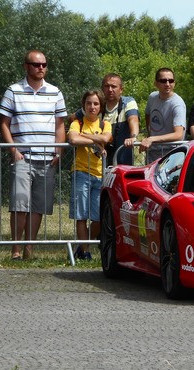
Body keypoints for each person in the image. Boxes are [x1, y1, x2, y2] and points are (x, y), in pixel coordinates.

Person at [0, 50, 67, 260]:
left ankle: (29, 250)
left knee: (39, 207)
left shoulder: (55, 92)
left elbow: (60, 124)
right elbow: (4, 123)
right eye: (36, 64)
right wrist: (13, 150)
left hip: (47, 158)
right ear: (26, 66)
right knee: (19, 204)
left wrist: (59, 150)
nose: (41, 68)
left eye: (44, 64)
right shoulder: (13, 91)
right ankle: (16, 251)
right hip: (23, 157)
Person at [67, 90, 112, 260]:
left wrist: (90, 138)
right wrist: (96, 140)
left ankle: (82, 245)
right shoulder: (77, 123)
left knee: (98, 217)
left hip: (100, 175)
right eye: (88, 103)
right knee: (81, 215)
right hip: (81, 172)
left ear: (100, 107)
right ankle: (85, 251)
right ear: (84, 105)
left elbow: (106, 138)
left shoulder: (104, 124)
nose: (92, 107)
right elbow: (73, 139)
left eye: (95, 104)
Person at [72, 73, 139, 166]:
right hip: (98, 163)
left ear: (121, 90)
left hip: (123, 160)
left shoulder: (127, 102)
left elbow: (133, 120)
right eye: (107, 86)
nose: (110, 90)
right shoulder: (95, 105)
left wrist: (133, 137)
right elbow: (72, 118)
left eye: (113, 86)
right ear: (102, 88)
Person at [142, 68, 186, 163]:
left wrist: (152, 139)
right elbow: (147, 114)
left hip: (172, 155)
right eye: (163, 81)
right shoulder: (152, 97)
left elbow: (178, 134)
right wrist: (150, 133)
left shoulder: (177, 104)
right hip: (152, 153)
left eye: (171, 81)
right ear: (156, 84)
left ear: (174, 83)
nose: (167, 84)